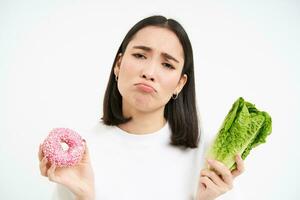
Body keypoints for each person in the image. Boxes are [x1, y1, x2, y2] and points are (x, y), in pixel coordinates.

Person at [38, 15, 245, 200]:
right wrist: (84, 198)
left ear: (180, 83)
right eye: (140, 56)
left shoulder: (208, 157)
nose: (149, 72)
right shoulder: (82, 154)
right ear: (118, 64)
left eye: (167, 65)